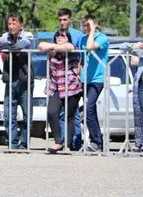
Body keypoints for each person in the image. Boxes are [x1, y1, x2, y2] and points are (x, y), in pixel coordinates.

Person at [0, 13, 34, 149]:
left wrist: (6, 49)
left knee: (27, 115)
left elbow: (21, 46)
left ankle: (24, 144)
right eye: (9, 24)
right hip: (10, 80)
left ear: (21, 25)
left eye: (14, 23)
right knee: (9, 114)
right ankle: (12, 143)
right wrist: (5, 48)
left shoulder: (28, 35)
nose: (11, 27)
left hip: (25, 81)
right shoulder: (6, 36)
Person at [39, 30, 82, 154]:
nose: (59, 37)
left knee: (69, 116)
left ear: (68, 38)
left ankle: (67, 145)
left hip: (71, 86)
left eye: (62, 35)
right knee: (51, 112)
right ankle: (58, 142)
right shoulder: (54, 53)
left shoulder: (72, 48)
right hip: (57, 87)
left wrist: (53, 47)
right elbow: (41, 46)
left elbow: (68, 47)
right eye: (57, 35)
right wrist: (55, 47)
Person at [77, 13, 109, 152]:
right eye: (84, 25)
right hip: (85, 79)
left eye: (88, 25)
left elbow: (90, 47)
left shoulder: (102, 38)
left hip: (97, 79)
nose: (86, 28)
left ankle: (97, 141)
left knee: (89, 107)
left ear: (96, 24)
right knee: (90, 110)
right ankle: (97, 140)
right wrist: (79, 75)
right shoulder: (82, 39)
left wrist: (93, 30)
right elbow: (82, 59)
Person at [57, 8, 84, 149]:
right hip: (60, 79)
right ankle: (63, 141)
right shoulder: (57, 35)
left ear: (70, 20)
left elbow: (81, 58)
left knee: (73, 113)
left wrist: (78, 76)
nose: (62, 22)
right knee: (62, 112)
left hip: (73, 79)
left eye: (65, 19)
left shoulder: (77, 35)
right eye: (60, 19)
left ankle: (75, 142)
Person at [122, 41, 143, 153]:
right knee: (139, 114)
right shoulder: (140, 48)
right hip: (140, 85)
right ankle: (138, 143)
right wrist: (134, 46)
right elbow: (122, 47)